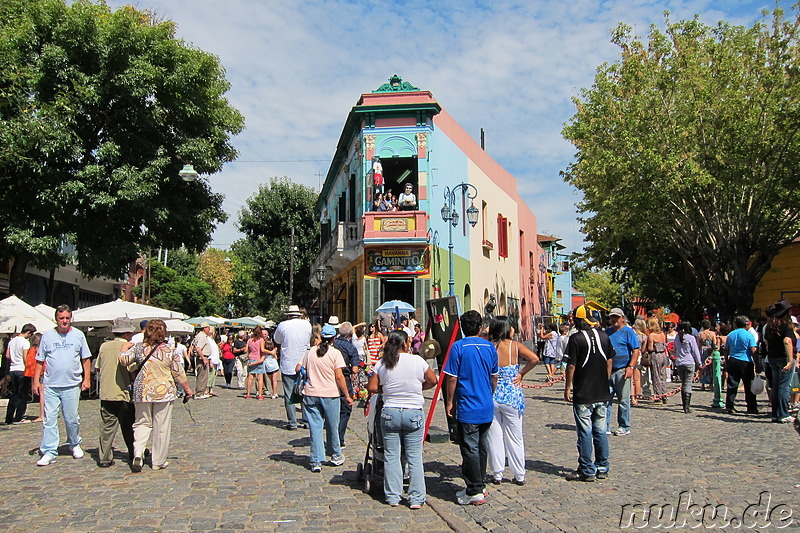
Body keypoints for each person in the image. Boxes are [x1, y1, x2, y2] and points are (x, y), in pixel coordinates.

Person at [368, 330, 437, 508]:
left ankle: (392, 496)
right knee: (414, 456)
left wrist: (388, 390)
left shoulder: (383, 363)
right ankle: (416, 498)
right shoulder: (417, 361)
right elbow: (433, 380)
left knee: (391, 456)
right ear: (406, 343)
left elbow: (373, 387)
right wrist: (417, 388)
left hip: (390, 411)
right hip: (413, 411)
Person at [119, 319, 193, 471]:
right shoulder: (169, 351)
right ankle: (158, 461)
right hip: (163, 392)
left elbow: (123, 360)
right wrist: (187, 390)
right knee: (161, 426)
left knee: (141, 423)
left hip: (142, 391)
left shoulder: (139, 348)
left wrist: (123, 348)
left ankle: (138, 452)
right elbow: (179, 373)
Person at [443, 310, 498, 506]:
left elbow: (452, 377)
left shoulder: (458, 347)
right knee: (482, 447)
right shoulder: (490, 347)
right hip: (485, 404)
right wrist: (489, 394)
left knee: (469, 448)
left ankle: (474, 490)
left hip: (467, 405)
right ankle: (480, 483)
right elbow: (494, 376)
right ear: (480, 327)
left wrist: (450, 401)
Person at [34, 305, 93, 466]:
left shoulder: (78, 335)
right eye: (61, 318)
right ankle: (49, 451)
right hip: (51, 384)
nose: (64, 321)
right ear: (56, 319)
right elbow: (40, 360)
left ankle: (74, 443)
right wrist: (36, 382)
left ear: (70, 319)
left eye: (67, 318)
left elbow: (86, 359)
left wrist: (86, 379)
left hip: (72, 384)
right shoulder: (47, 336)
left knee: (71, 418)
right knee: (49, 419)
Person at [564, 304, 614, 482]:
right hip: (602, 392)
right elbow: (609, 361)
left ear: (578, 321)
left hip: (583, 393)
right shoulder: (605, 336)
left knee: (585, 431)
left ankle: (586, 469)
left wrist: (568, 387)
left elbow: (571, 365)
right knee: (600, 431)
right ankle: (602, 467)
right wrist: (605, 380)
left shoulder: (576, 339)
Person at [486, 316, 539, 485]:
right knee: (515, 437)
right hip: (512, 395)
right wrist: (521, 374)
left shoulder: (490, 347)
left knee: (494, 436)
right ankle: (519, 474)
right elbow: (534, 359)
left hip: (493, 394)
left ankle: (497, 473)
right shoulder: (515, 347)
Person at [299, 324, 352, 472]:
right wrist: (347, 395)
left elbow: (300, 368)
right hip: (330, 394)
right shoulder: (335, 353)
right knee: (332, 426)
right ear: (334, 338)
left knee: (315, 428)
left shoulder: (310, 352)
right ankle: (335, 455)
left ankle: (316, 460)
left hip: (311, 393)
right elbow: (339, 376)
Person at [95, 317, 136, 467]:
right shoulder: (128, 347)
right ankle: (134, 454)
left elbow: (98, 367)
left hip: (106, 392)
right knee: (129, 426)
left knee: (106, 428)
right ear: (126, 333)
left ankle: (104, 458)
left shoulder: (104, 346)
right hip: (123, 393)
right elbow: (133, 370)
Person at [273, 305, 312, 430]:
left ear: (288, 315)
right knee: (305, 392)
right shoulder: (307, 325)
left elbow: (277, 340)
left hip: (288, 362)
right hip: (303, 362)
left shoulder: (283, 325)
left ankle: (292, 422)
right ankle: (306, 420)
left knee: (289, 394)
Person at [604, 308, 640, 436]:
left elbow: (636, 350)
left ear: (622, 318)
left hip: (622, 370)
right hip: (607, 370)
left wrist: (630, 366)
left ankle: (624, 426)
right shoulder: (606, 332)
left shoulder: (628, 332)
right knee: (606, 400)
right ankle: (605, 426)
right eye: (612, 317)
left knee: (623, 400)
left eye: (616, 317)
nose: (614, 319)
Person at [763, 300, 796, 423]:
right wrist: (790, 359)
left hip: (772, 357)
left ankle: (775, 413)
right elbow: (787, 341)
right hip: (783, 357)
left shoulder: (769, 326)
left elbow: (766, 343)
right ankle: (783, 413)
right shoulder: (786, 325)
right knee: (784, 386)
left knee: (775, 386)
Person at [724, 315, 759, 415]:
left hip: (733, 360)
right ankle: (751, 407)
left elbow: (726, 349)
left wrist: (727, 361)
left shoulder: (731, 334)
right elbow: (753, 350)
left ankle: (730, 406)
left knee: (732, 385)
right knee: (749, 385)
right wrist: (757, 364)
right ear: (746, 324)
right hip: (746, 361)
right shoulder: (748, 335)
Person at [4, 323, 36, 425]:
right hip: (21, 370)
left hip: (12, 370)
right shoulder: (25, 343)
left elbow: (7, 355)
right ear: (28, 332)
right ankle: (19, 416)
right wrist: (29, 369)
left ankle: (9, 418)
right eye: (31, 334)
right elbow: (25, 358)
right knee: (22, 395)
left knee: (14, 394)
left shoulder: (12, 341)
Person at [672, 321, 702, 413]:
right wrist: (699, 363)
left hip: (679, 363)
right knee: (688, 384)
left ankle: (684, 405)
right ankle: (687, 407)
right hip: (689, 362)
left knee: (683, 383)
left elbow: (675, 349)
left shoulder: (677, 338)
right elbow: (696, 351)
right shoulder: (691, 338)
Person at [646, 318, 669, 404]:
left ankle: (658, 396)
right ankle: (664, 394)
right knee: (662, 375)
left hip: (655, 355)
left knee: (656, 376)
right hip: (663, 354)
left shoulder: (651, 335)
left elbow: (650, 348)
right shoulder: (662, 334)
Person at [191, 322, 212, 399]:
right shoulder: (201, 336)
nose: (209, 329)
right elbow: (198, 348)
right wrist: (203, 358)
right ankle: (199, 393)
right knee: (202, 376)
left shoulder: (201, 336)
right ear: (204, 328)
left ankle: (202, 391)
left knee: (204, 376)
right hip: (202, 358)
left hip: (203, 357)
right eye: (208, 327)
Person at [245, 326, 267, 400]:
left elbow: (245, 350)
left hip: (251, 359)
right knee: (260, 378)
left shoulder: (249, 340)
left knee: (250, 378)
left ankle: (248, 394)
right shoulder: (261, 340)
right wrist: (270, 352)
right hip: (259, 359)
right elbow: (262, 349)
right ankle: (260, 394)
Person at [261, 331, 280, 399]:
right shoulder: (273, 351)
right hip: (274, 365)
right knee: (274, 380)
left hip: (267, 366)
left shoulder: (264, 351)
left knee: (271, 379)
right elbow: (276, 357)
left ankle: (273, 392)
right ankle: (274, 393)